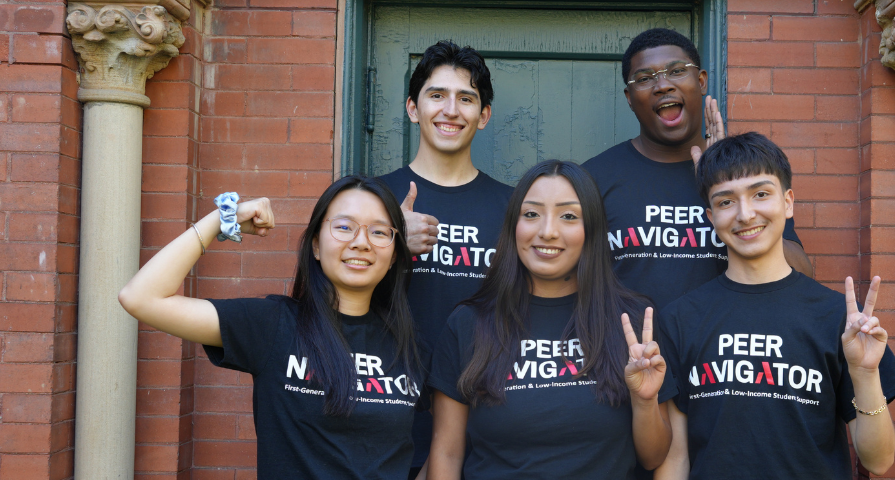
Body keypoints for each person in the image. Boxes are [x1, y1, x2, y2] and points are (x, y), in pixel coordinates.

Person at [117, 176, 426, 478]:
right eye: (344, 227)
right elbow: (141, 298)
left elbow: (452, 443)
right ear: (316, 246)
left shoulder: (408, 345)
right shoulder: (274, 325)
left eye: (379, 232)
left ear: (394, 254)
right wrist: (219, 220)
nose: (361, 242)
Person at [654, 133, 895, 479]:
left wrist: (864, 375)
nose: (745, 214)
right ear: (711, 216)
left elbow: (878, 461)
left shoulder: (837, 318)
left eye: (761, 194)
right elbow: (677, 459)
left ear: (788, 203)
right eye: (726, 201)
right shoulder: (680, 319)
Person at [426, 160, 675, 479]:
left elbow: (654, 458)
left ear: (591, 229)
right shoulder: (469, 323)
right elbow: (446, 454)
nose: (547, 231)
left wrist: (645, 400)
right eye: (531, 214)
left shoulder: (632, 323)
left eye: (569, 216)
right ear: (513, 225)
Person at [583, 28, 813, 312]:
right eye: (645, 79)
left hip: (725, 353)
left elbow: (802, 274)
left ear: (701, 81)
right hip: (630, 354)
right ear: (630, 98)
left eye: (677, 71)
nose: (663, 85)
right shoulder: (593, 178)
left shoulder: (746, 172)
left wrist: (722, 182)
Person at [375, 40, 513, 477]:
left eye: (466, 98)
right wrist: (388, 239)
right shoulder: (368, 199)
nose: (450, 110)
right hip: (385, 406)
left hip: (488, 412)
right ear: (414, 108)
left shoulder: (515, 209)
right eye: (437, 95)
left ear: (483, 116)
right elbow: (321, 293)